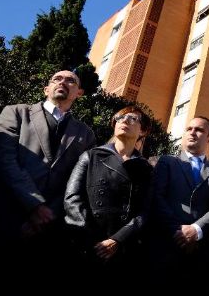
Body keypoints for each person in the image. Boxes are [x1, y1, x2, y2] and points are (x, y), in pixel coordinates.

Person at [0, 70, 96, 287]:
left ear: (79, 93)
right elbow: (5, 160)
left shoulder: (86, 134)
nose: (63, 82)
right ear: (46, 89)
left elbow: (78, 181)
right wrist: (35, 205)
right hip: (6, 215)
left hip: (48, 229)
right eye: (57, 79)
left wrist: (48, 214)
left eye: (70, 80)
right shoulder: (15, 113)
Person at [64, 106, 153, 288]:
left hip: (123, 248)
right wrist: (93, 239)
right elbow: (72, 198)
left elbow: (145, 211)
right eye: (119, 117)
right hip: (86, 244)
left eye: (132, 118)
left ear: (143, 131)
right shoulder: (91, 156)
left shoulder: (146, 168)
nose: (124, 120)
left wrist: (117, 240)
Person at [148, 116, 209, 293]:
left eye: (199, 130)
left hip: (199, 252)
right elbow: (157, 197)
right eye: (189, 129)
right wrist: (178, 230)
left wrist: (196, 229)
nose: (193, 132)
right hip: (164, 246)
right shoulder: (166, 162)